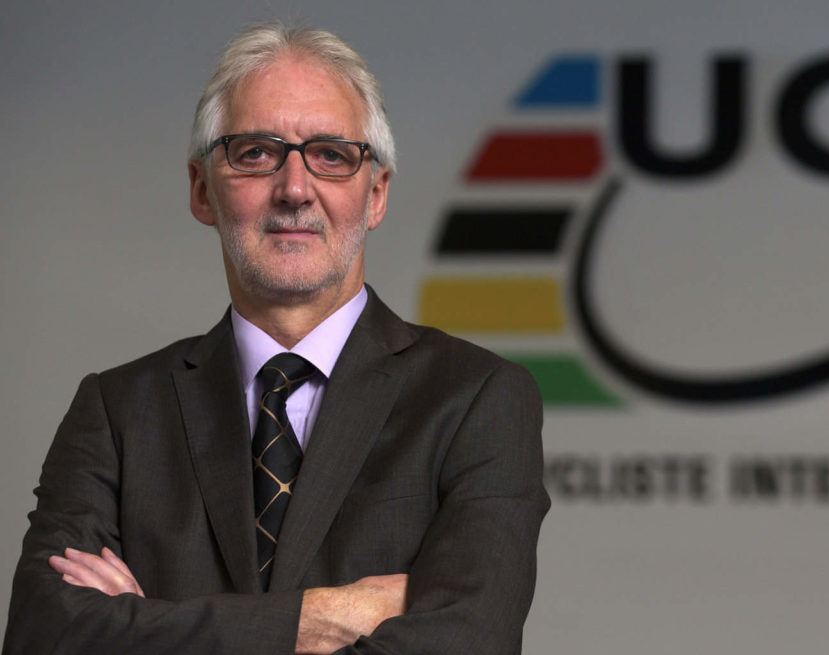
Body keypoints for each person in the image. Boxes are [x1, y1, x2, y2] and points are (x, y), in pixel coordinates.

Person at [2, 22, 548, 655]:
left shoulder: (478, 398)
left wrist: (148, 626)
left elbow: (469, 641)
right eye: (256, 153)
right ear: (202, 190)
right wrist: (314, 618)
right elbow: (43, 636)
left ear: (376, 195)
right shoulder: (116, 413)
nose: (294, 189)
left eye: (332, 155)